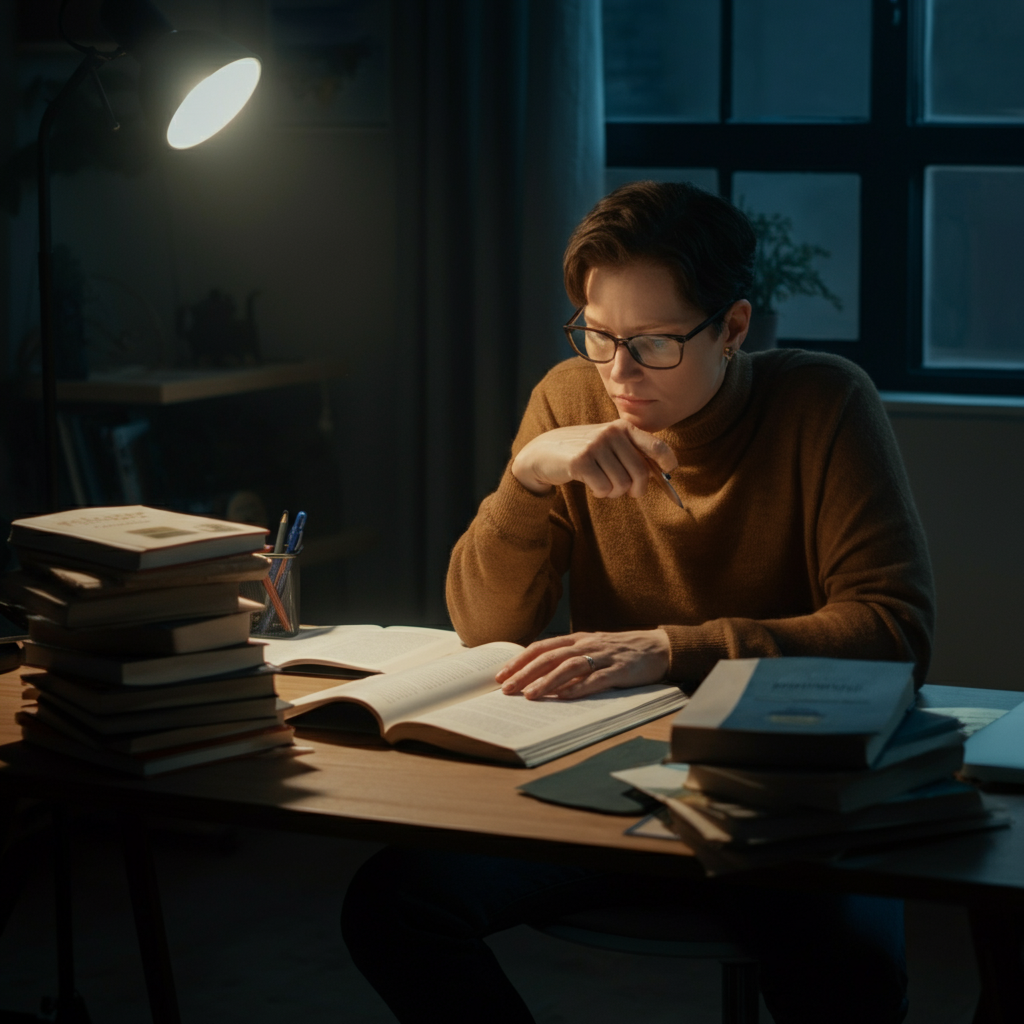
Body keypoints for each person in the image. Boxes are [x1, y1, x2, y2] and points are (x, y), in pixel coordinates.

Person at [342, 181, 934, 1024]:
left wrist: (671, 646)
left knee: (848, 973)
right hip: (610, 769)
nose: (617, 373)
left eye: (653, 343)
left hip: (779, 786)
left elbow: (895, 631)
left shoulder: (823, 403)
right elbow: (486, 624)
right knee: (392, 906)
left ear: (732, 327)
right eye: (598, 334)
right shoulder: (570, 398)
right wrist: (528, 476)